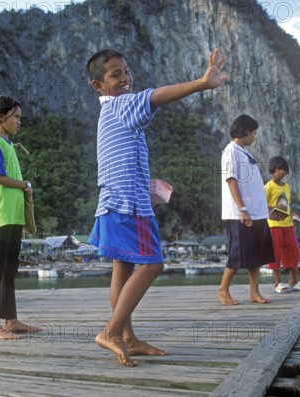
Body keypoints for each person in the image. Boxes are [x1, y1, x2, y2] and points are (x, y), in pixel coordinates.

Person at [86, 48, 228, 366]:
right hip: (130, 205)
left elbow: (120, 159)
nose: (125, 78)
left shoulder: (108, 113)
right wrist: (200, 84)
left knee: (122, 268)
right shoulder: (122, 105)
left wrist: (147, 184)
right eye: (115, 75)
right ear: (99, 86)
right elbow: (154, 97)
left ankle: (128, 338)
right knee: (153, 265)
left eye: (126, 71)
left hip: (112, 200)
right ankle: (111, 331)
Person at [0, 95, 41, 340]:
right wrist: (24, 183)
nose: (19, 122)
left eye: (20, 117)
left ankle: (11, 320)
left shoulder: (7, 144)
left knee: (9, 268)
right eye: (15, 116)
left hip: (13, 216)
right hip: (1, 215)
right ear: (1, 116)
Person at [218, 114, 275, 306]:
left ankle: (254, 293)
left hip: (257, 212)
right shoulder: (231, 151)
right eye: (254, 133)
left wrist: (263, 206)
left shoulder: (245, 153)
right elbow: (231, 180)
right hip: (241, 213)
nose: (255, 137)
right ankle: (223, 289)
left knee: (256, 255)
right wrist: (242, 209)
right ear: (246, 132)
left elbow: (251, 185)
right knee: (237, 253)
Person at [265, 156, 300, 293]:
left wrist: (293, 214)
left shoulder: (287, 187)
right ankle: (277, 283)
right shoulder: (268, 186)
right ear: (273, 170)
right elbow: (264, 205)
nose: (282, 172)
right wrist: (274, 212)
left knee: (294, 251)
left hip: (288, 224)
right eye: (279, 169)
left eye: (284, 169)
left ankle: (293, 281)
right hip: (274, 224)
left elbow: (286, 206)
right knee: (276, 252)